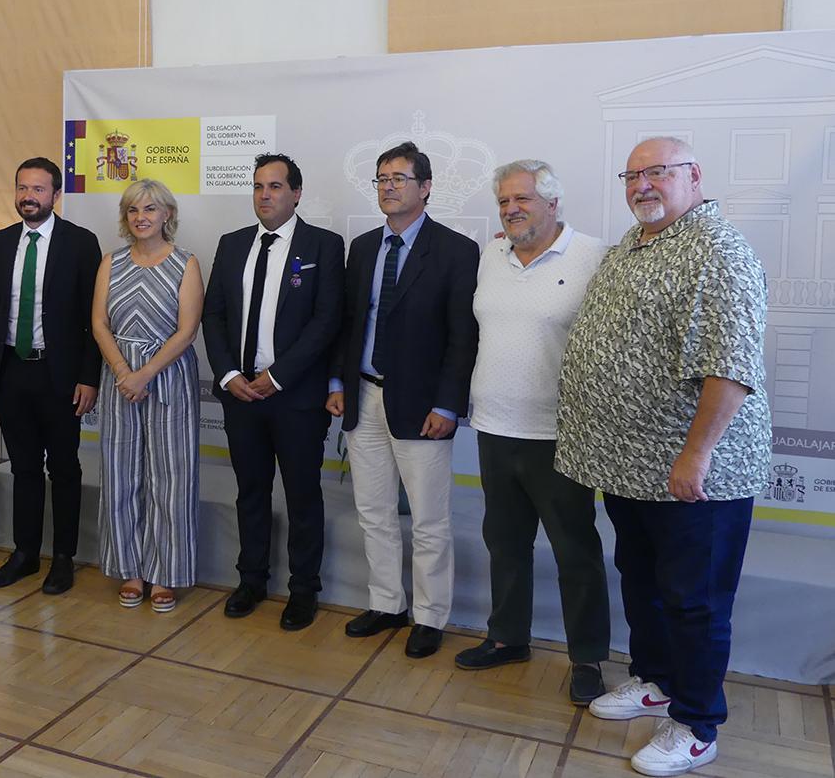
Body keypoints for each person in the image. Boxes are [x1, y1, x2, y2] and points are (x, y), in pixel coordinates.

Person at [556, 137, 770, 777]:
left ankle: (698, 723)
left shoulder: (719, 250)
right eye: (632, 175)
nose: (642, 185)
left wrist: (695, 456)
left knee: (694, 600)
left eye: (657, 172)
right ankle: (657, 680)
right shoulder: (635, 243)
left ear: (693, 175)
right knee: (643, 581)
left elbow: (731, 368)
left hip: (694, 473)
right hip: (630, 466)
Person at [455, 159, 610, 706]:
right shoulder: (491, 254)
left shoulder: (593, 256)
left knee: (575, 551)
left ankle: (587, 657)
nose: (511, 209)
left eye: (522, 199)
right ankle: (507, 637)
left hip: (559, 435)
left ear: (553, 202)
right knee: (504, 543)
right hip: (494, 426)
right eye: (503, 201)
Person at [326, 140, 479, 659]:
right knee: (374, 513)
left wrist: (448, 405)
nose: (389, 187)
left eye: (399, 178)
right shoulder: (364, 247)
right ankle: (387, 603)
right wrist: (337, 383)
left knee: (430, 521)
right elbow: (349, 322)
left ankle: (430, 616)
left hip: (423, 406)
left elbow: (462, 337)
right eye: (382, 179)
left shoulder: (456, 250)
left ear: (426, 187)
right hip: (364, 396)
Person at [202, 154, 343, 630]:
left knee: (302, 496)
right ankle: (252, 579)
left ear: (296, 194)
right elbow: (214, 315)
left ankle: (303, 590)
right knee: (251, 492)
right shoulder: (232, 243)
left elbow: (327, 320)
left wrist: (279, 375)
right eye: (259, 186)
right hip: (241, 393)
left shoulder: (323, 245)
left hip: (295, 396)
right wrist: (227, 374)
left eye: (276, 186)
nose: (265, 195)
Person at [0, 157, 101, 595]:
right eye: (22, 188)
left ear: (56, 195)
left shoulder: (80, 243)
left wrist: (89, 377)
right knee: (24, 467)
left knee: (64, 468)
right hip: (11, 372)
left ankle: (63, 558)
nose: (29, 196)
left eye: (38, 189)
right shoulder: (0, 242)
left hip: (60, 375)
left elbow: (93, 319)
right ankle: (25, 553)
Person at [92, 179, 203, 613]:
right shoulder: (111, 262)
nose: (142, 217)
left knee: (171, 479)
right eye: (134, 210)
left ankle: (166, 573)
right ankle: (130, 569)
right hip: (119, 378)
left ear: (167, 215)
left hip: (168, 378)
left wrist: (145, 374)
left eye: (151, 209)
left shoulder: (185, 263)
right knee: (121, 476)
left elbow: (187, 331)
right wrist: (124, 373)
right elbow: (99, 324)